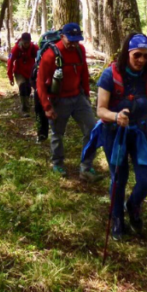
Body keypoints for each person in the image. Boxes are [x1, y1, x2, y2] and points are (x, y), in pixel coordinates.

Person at [83, 32, 147, 240]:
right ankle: (117, 217)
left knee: (146, 180)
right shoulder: (110, 75)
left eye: (145, 56)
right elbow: (100, 110)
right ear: (128, 53)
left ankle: (133, 205)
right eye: (137, 55)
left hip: (142, 131)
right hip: (114, 134)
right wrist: (116, 116)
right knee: (119, 177)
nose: (141, 60)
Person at [36, 22, 101, 181]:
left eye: (76, 40)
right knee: (58, 134)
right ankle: (57, 163)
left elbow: (84, 72)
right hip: (59, 100)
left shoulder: (80, 50)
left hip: (78, 98)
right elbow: (40, 82)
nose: (73, 43)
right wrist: (47, 106)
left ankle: (86, 168)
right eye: (70, 39)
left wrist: (86, 94)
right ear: (62, 36)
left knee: (92, 130)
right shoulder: (51, 55)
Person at [7, 32, 39, 115]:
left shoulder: (34, 48)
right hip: (19, 72)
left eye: (28, 42)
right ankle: (25, 109)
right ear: (21, 41)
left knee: (28, 89)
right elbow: (10, 62)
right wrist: (10, 77)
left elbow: (41, 57)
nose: (26, 44)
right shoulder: (16, 49)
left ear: (30, 41)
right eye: (24, 42)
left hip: (30, 72)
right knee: (22, 87)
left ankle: (27, 102)